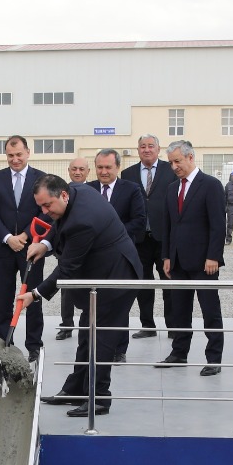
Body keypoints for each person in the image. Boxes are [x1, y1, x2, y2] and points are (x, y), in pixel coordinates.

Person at [26, 174, 141, 417]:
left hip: (116, 277)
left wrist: (35, 294)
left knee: (102, 339)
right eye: (40, 206)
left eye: (47, 205)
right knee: (87, 335)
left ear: (63, 195)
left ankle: (99, 399)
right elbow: (59, 222)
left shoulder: (83, 221)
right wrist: (45, 245)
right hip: (99, 278)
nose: (45, 212)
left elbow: (67, 268)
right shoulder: (76, 190)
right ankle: (76, 389)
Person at [156, 140, 226, 375]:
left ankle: (214, 358)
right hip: (177, 262)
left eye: (177, 161)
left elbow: (218, 224)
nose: (174, 167)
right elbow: (168, 226)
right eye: (170, 163)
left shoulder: (211, 185)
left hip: (204, 263)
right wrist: (167, 256)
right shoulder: (171, 189)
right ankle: (179, 352)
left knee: (210, 311)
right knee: (179, 310)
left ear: (190, 158)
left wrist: (213, 256)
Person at [0, 135, 48, 356]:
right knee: (4, 299)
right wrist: (8, 237)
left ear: (28, 152)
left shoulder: (42, 178)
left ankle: (34, 346)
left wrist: (25, 235)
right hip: (3, 249)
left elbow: (45, 211)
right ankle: (4, 346)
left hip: (32, 248)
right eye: (10, 155)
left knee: (33, 297)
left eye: (19, 154)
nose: (15, 159)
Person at [90, 148, 147, 362]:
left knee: (119, 305)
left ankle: (119, 350)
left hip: (121, 258)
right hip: (93, 258)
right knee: (95, 304)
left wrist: (111, 233)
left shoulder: (131, 189)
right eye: (100, 167)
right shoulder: (87, 190)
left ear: (118, 167)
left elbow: (139, 221)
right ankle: (94, 345)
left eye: (108, 167)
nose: (104, 171)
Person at [120, 134, 173, 340]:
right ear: (138, 150)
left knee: (169, 284)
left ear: (158, 149)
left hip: (164, 238)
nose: (147, 149)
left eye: (151, 146)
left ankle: (173, 326)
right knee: (143, 284)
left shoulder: (171, 170)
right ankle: (148, 325)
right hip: (139, 239)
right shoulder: (128, 173)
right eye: (143, 146)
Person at [55, 157, 92, 340]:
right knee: (67, 289)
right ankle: (66, 325)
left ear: (88, 172)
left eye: (81, 169)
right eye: (74, 169)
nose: (77, 172)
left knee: (91, 290)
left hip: (90, 250)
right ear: (68, 171)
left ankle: (90, 325)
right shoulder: (61, 192)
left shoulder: (93, 192)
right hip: (67, 249)